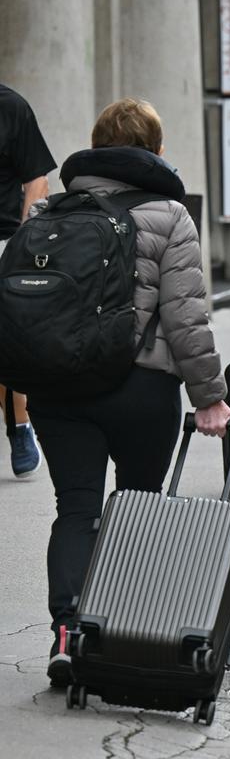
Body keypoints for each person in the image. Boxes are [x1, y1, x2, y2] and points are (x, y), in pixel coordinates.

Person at [25, 98, 230, 686]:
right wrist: (209, 396)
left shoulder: (48, 209)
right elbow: (186, 317)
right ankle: (120, 634)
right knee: (136, 509)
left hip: (59, 388)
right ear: (157, 151)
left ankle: (67, 632)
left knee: (76, 508)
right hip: (140, 388)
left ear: (96, 147)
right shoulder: (171, 215)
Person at [0, 84, 53, 479]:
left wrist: (24, 243)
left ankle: (19, 424)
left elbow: (37, 181)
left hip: (4, 240)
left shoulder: (11, 107)